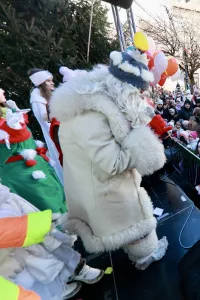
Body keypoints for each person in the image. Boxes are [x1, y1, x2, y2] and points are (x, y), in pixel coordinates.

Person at [51, 50, 168, 270]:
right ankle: (146, 257)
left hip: (98, 184)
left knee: (124, 226)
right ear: (124, 88)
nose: (140, 97)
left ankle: (139, 253)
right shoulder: (90, 116)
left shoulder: (93, 104)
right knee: (133, 227)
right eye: (137, 93)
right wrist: (141, 142)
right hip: (105, 189)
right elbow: (112, 163)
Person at [0, 183, 104, 299]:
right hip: (11, 241)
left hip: (12, 208)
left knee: (54, 244)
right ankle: (56, 292)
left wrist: (42, 223)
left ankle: (78, 269)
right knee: (29, 266)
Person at [0, 110, 66, 213]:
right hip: (26, 179)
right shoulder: (6, 125)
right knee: (50, 211)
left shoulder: (11, 115)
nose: (3, 92)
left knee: (60, 203)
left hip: (39, 170)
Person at [28, 68, 63, 183]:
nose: (52, 83)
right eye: (48, 81)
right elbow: (46, 122)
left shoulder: (45, 96)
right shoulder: (37, 99)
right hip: (56, 135)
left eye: (51, 80)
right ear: (41, 83)